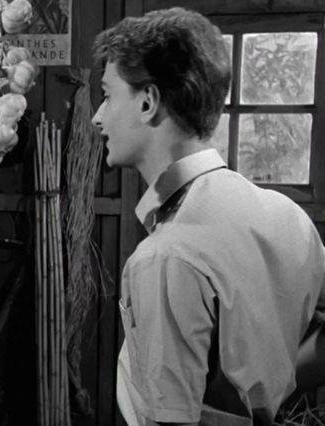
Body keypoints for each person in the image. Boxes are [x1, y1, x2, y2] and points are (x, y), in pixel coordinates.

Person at [91, 7, 325, 425]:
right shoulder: (287, 215)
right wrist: (270, 394)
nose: (98, 117)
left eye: (108, 96)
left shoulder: (166, 258)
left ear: (147, 102)